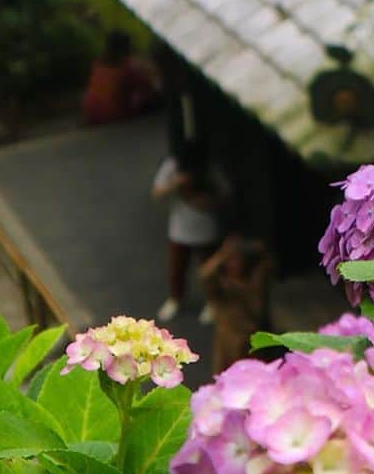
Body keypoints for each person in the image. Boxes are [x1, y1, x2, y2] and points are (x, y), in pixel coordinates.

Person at [151, 138, 229, 323]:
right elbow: (157, 193)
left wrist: (205, 201)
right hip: (179, 229)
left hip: (205, 229)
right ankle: (176, 299)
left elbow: (224, 194)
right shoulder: (172, 166)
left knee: (209, 271)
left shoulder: (209, 169)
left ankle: (212, 302)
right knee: (177, 269)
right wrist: (175, 184)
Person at [200, 232, 273, 373]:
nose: (234, 264)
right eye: (231, 260)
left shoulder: (253, 283)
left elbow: (267, 268)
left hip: (250, 340)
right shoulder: (220, 287)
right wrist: (222, 255)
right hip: (227, 340)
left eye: (238, 259)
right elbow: (205, 275)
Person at [81, 30, 160, 126]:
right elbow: (147, 87)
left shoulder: (97, 64)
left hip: (91, 113)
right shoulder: (126, 68)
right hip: (113, 114)